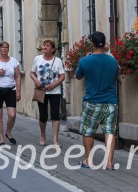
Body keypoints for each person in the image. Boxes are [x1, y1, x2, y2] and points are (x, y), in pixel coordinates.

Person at [76, 31, 120, 170]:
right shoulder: (113, 61)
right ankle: (109, 163)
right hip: (111, 101)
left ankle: (88, 161)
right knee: (110, 131)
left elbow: (78, 76)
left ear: (92, 44)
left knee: (89, 131)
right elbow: (116, 74)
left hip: (92, 101)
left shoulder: (85, 61)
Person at [30, 39, 66, 147]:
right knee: (43, 115)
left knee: (55, 115)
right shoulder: (37, 59)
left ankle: (55, 139)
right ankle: (42, 135)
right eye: (44, 46)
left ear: (53, 49)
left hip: (55, 91)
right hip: (41, 91)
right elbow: (32, 73)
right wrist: (36, 81)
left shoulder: (58, 60)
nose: (45, 47)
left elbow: (62, 76)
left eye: (47, 46)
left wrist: (53, 85)